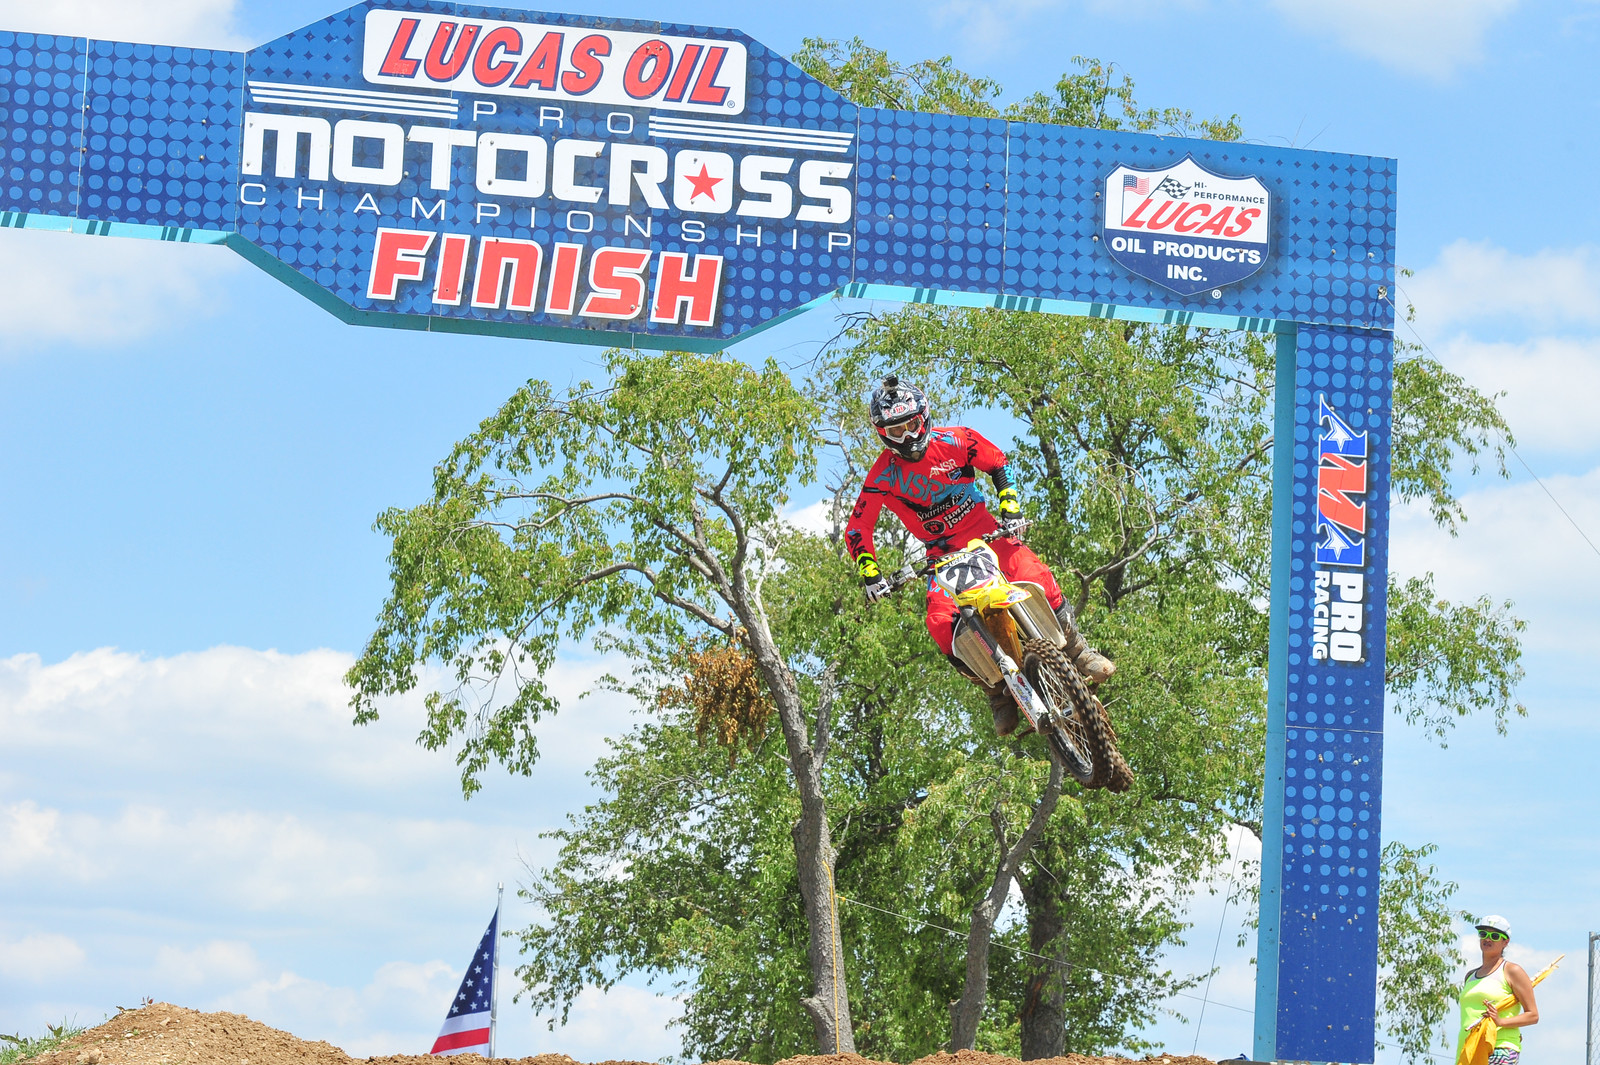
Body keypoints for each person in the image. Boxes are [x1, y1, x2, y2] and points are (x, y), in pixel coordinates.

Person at [846, 375, 1114, 735]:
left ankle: (1079, 650)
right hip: (942, 556)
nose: (908, 437)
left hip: (989, 535)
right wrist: (871, 575)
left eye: (911, 425)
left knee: (1035, 574)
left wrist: (1012, 508)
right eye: (897, 432)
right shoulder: (882, 476)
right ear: (883, 434)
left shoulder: (956, 439)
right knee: (940, 623)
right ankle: (998, 691)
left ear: (923, 418)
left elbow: (997, 462)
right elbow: (857, 528)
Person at [1458, 914, 1539, 1065]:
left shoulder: (1512, 971)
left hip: (1500, 1047)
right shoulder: (1470, 976)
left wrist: (1500, 1021)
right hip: (1470, 1047)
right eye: (1483, 934)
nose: (1487, 939)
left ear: (1505, 942)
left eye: (1494, 936)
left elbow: (1533, 1015)